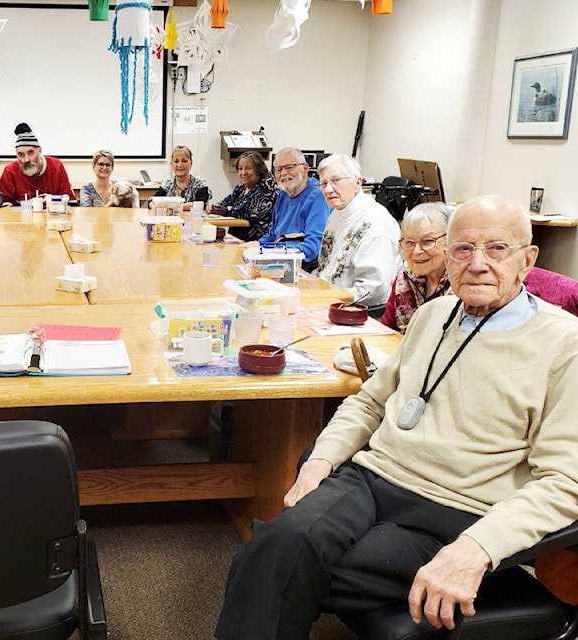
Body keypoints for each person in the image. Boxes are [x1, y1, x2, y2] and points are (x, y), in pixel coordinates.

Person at [216, 195, 578, 640]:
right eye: (463, 248)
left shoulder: (565, 344)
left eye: (496, 248)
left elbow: (565, 482)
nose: (478, 263)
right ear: (448, 257)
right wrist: (320, 460)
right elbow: (369, 403)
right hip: (372, 477)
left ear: (528, 259)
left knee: (272, 565)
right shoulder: (432, 315)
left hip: (460, 506)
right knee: (276, 549)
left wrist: (476, 548)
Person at [314, 154, 401, 308]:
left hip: (360, 311)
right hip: (329, 301)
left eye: (335, 181)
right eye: (323, 183)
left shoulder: (376, 221)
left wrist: (327, 298)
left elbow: (374, 289)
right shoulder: (337, 213)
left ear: (357, 182)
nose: (328, 189)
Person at [381, 202, 454, 332]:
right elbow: (386, 330)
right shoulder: (404, 277)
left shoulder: (462, 285)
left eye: (428, 241)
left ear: (451, 240)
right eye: (409, 242)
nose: (416, 251)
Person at [255, 147, 331, 271]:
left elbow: (312, 248)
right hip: (280, 260)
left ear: (305, 168)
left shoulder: (318, 196)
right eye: (279, 169)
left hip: (303, 268)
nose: (283, 173)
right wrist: (256, 246)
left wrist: (274, 250)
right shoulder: (283, 194)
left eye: (289, 167)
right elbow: (273, 234)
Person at [0, 122, 75, 204]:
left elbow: (69, 200)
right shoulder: (10, 170)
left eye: (31, 153)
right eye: (21, 155)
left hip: (53, 213)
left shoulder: (56, 166)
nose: (26, 159)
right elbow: (4, 203)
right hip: (21, 215)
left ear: (40, 150)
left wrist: (48, 199)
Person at [211, 151, 278, 242]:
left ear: (259, 169)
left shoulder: (268, 187)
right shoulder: (242, 186)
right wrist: (215, 207)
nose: (243, 173)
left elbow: (251, 213)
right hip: (236, 238)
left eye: (248, 168)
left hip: (257, 242)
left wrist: (225, 211)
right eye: (240, 169)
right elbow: (229, 200)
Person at [151, 145, 211, 210]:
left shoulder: (200, 184)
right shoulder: (167, 184)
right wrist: (154, 205)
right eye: (176, 161)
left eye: (184, 161)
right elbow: (152, 201)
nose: (180, 165)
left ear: (191, 163)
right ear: (171, 164)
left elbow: (200, 204)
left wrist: (170, 207)